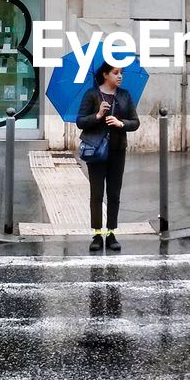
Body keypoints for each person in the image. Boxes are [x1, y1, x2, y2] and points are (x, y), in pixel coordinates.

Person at [76, 63, 140, 254]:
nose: (120, 76)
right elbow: (80, 121)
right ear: (105, 74)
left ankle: (111, 233)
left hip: (117, 150)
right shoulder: (92, 94)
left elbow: (135, 122)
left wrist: (121, 123)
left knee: (114, 193)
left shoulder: (124, 95)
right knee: (96, 193)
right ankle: (97, 234)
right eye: (116, 72)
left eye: (121, 73)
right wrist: (98, 115)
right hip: (95, 150)